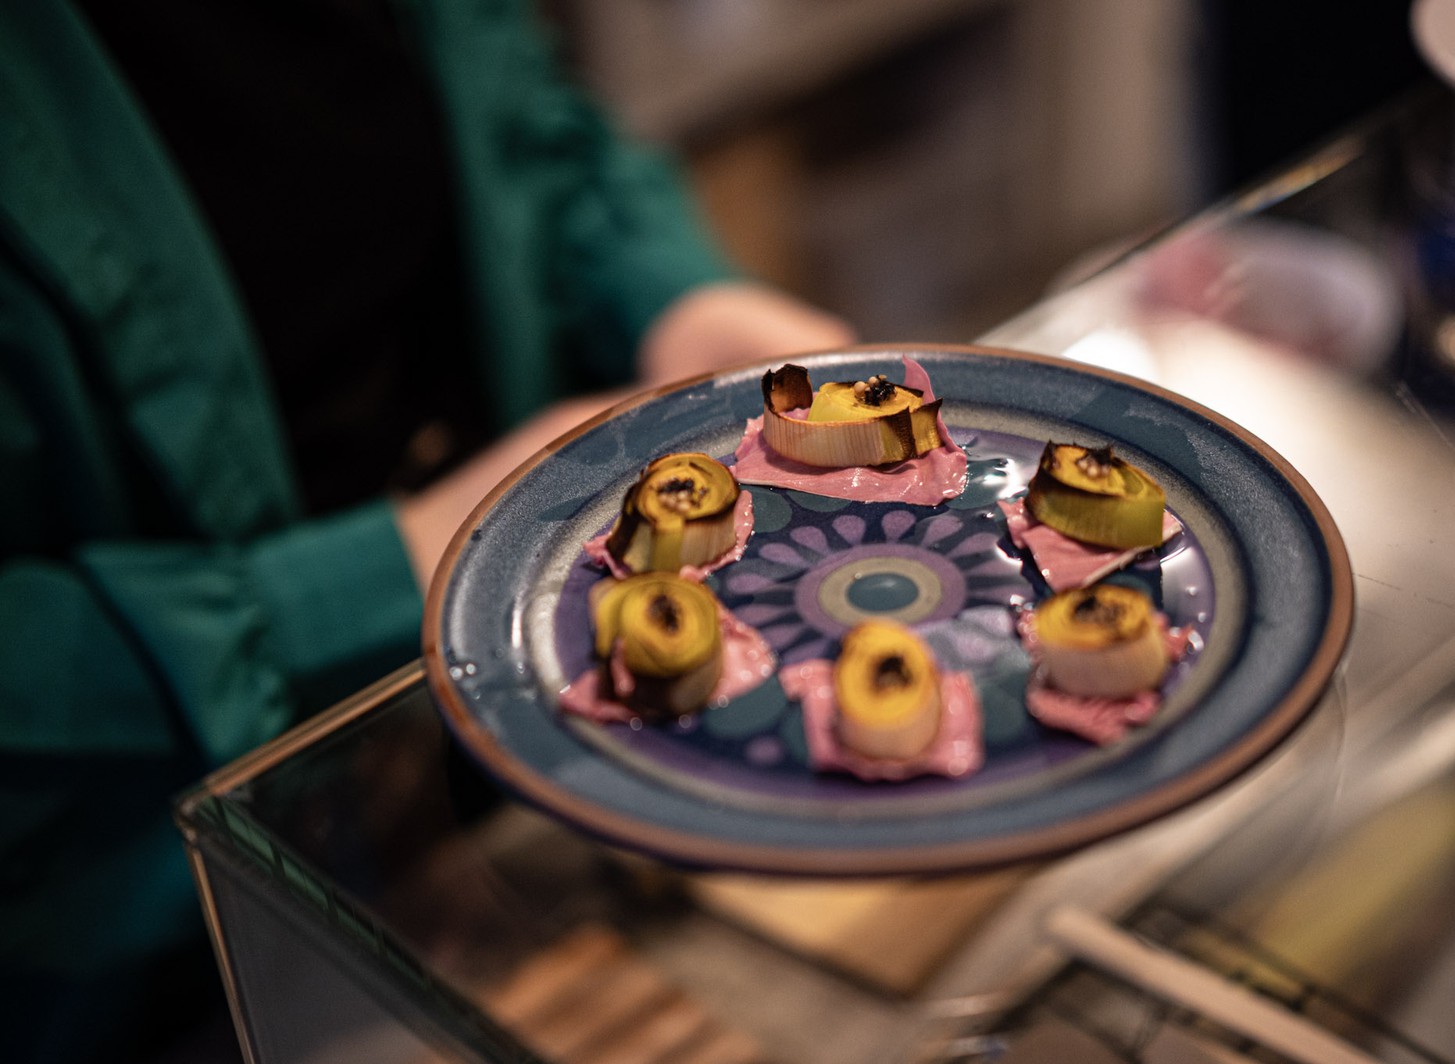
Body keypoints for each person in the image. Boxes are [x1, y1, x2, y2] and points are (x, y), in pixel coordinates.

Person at [0, 1, 854, 1060]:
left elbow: (526, 131)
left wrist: (673, 298)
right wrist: (402, 563)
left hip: (528, 798)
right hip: (155, 962)